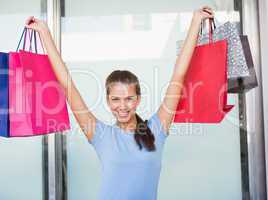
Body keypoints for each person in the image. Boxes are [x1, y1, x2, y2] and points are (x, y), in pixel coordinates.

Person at [25, 6, 214, 200]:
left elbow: (179, 75)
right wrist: (45, 33)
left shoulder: (157, 128)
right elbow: (67, 84)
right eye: (115, 99)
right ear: (108, 101)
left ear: (138, 99)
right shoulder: (99, 134)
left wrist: (195, 22)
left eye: (129, 99)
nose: (122, 106)